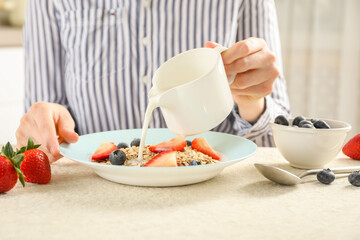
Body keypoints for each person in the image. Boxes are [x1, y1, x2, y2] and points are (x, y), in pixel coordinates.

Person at [16, 0, 290, 163]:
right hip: (96, 200)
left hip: (216, 198)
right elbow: (42, 134)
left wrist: (252, 101)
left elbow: (273, 138)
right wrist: (48, 125)